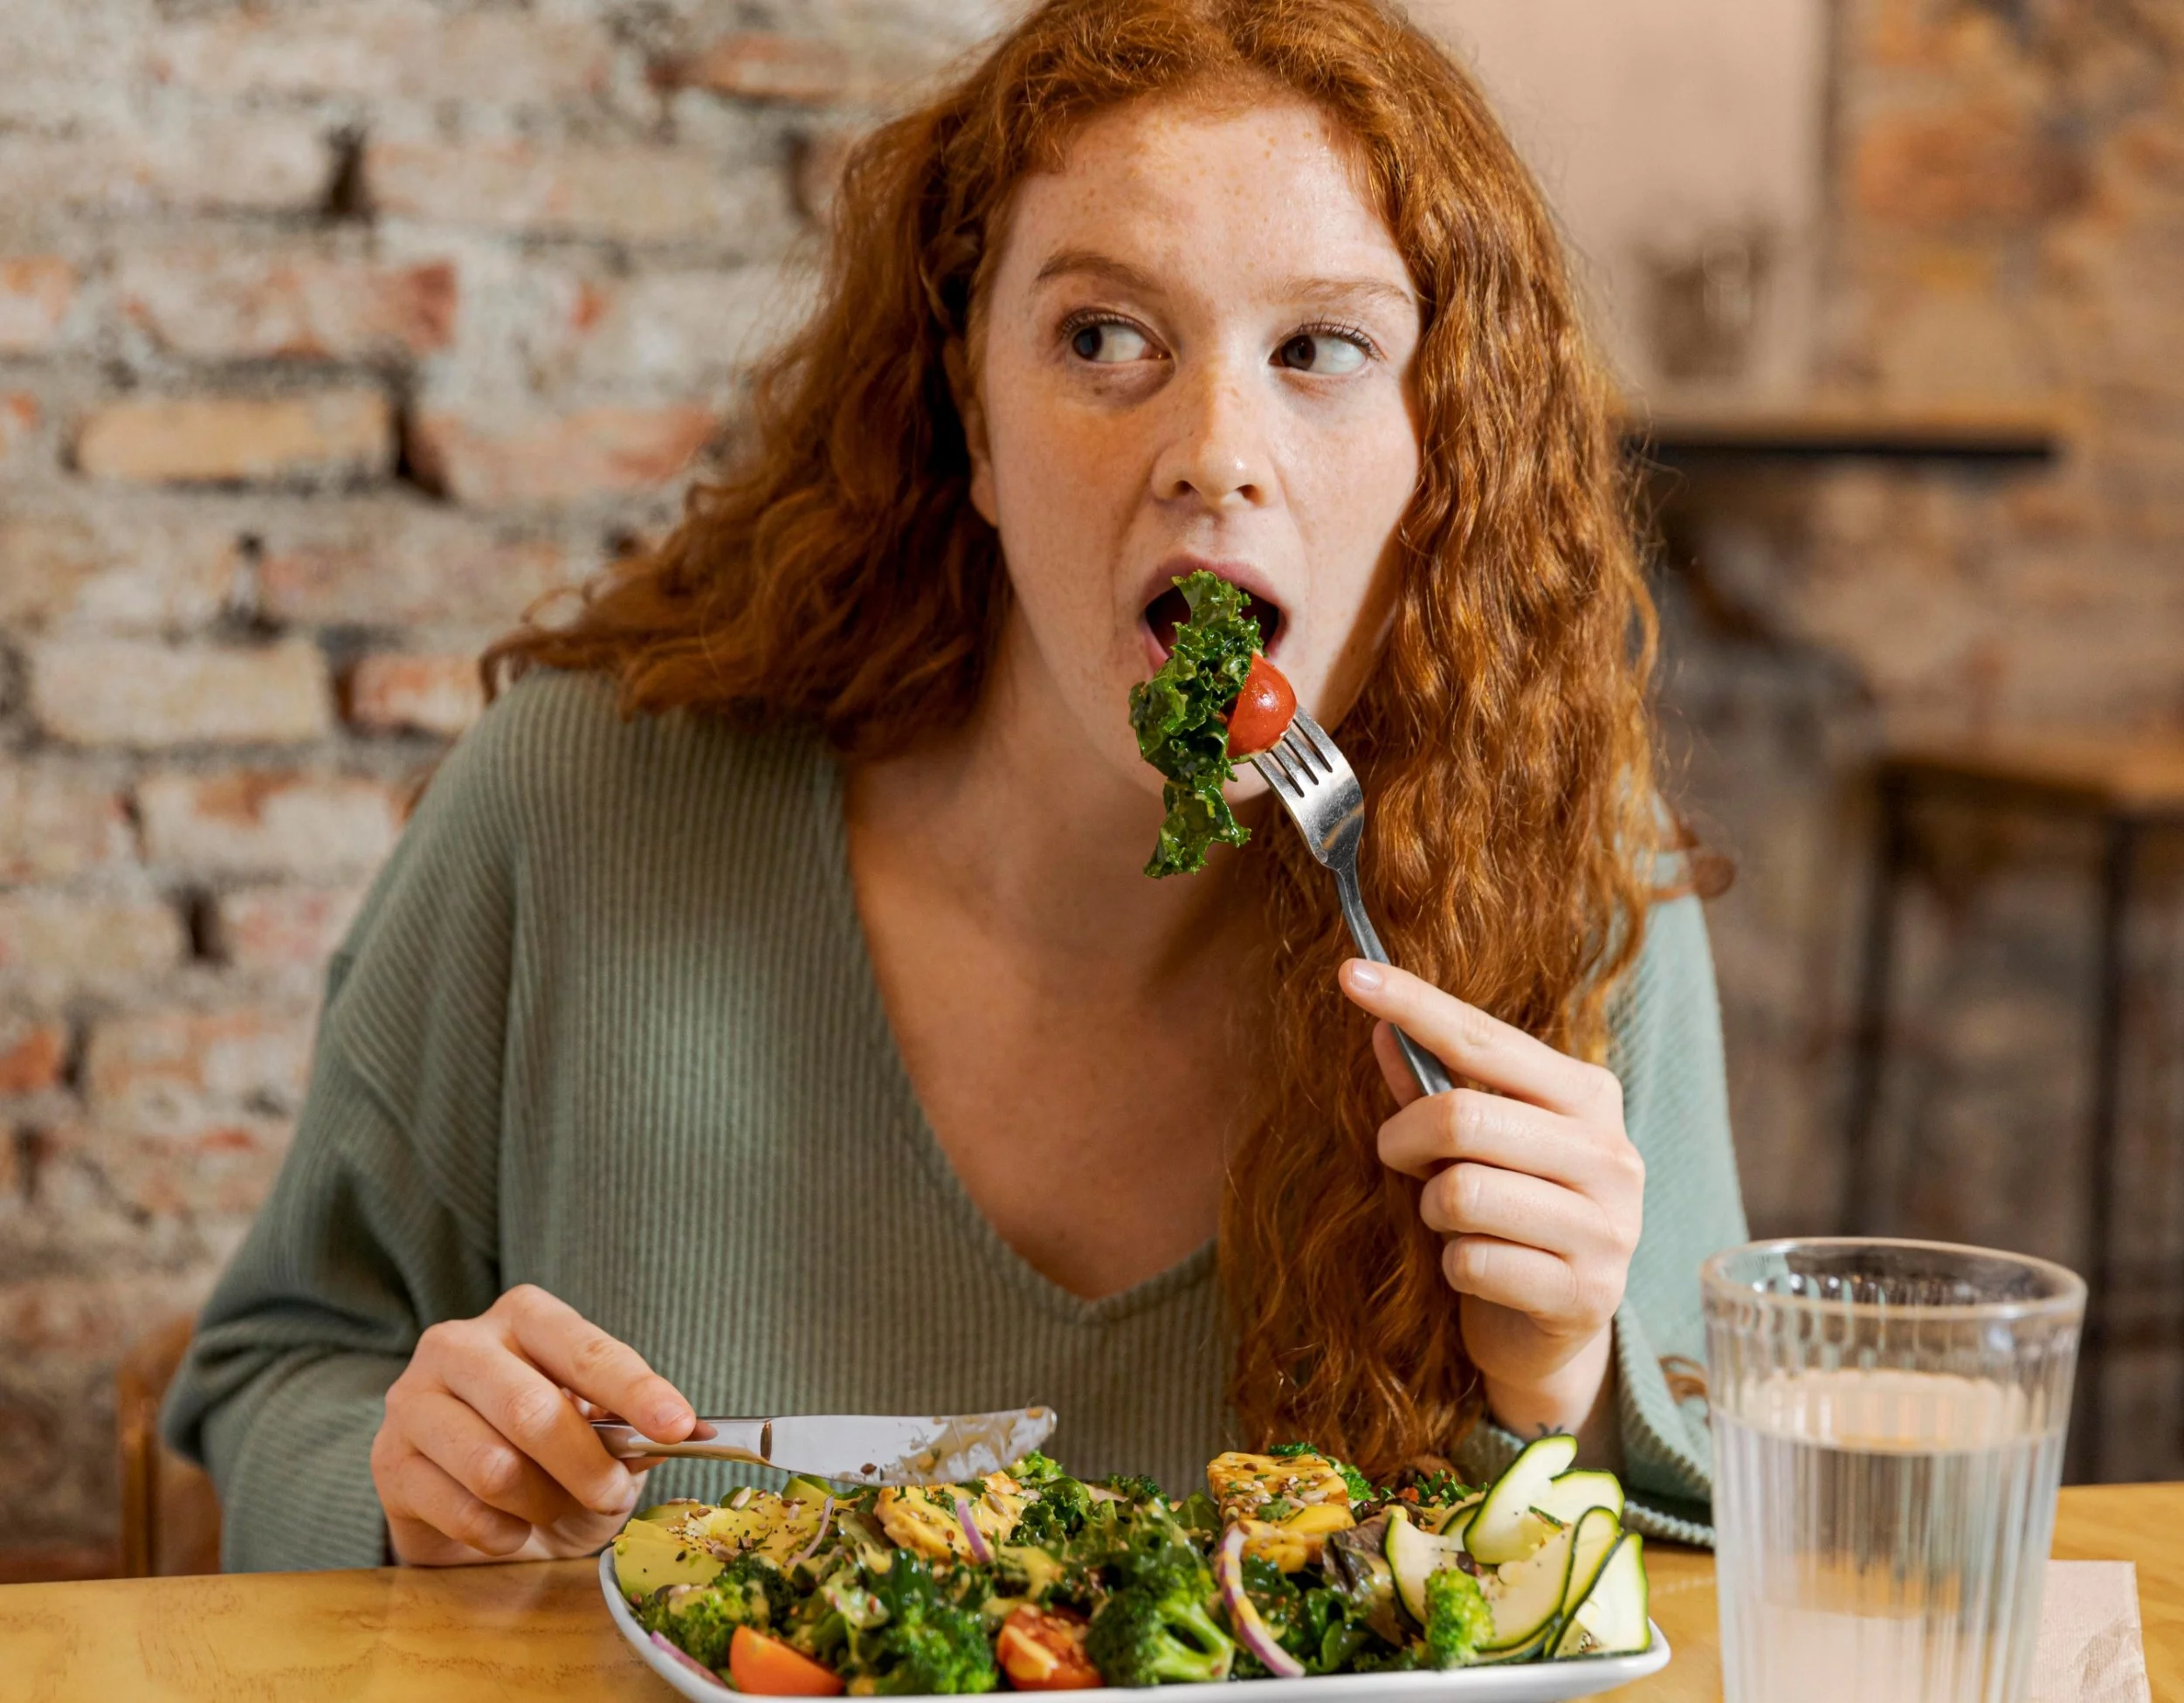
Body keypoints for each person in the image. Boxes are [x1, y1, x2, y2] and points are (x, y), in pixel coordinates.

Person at [163, 0, 1746, 1573]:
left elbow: (1708, 1565)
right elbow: (269, 1379)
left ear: (1441, 451)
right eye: (1103, 338)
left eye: (1321, 350)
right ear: (970, 416)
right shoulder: (579, 809)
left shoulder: (1578, 897)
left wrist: (1557, 1400)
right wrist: (411, 1494)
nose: (1215, 451)